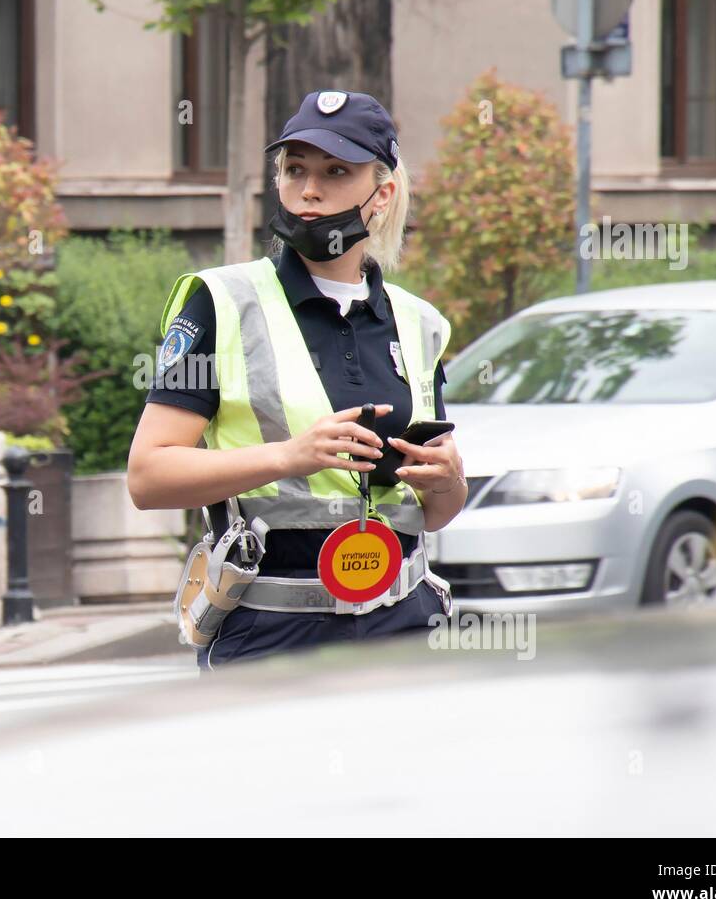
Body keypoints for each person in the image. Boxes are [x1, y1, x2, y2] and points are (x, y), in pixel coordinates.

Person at [128, 90, 468, 670]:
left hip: (406, 629)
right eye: (294, 170)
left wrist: (449, 482)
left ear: (381, 194)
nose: (309, 189)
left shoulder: (420, 322)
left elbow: (432, 512)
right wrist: (291, 456)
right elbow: (148, 477)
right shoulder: (219, 302)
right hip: (271, 637)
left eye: (336, 171)